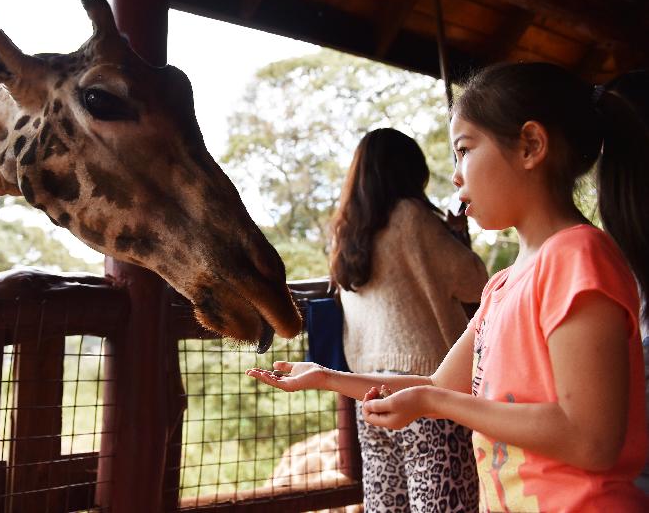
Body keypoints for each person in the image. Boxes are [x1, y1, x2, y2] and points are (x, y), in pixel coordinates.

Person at [248, 63, 649, 511]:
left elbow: (589, 439)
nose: (455, 175)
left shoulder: (577, 257)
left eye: (464, 150)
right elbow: (438, 384)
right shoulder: (501, 284)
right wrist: (326, 377)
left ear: (531, 146)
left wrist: (437, 401)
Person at [322, 127, 487, 512]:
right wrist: (458, 237)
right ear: (407, 172)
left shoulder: (345, 232)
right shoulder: (413, 218)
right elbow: (474, 282)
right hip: (425, 389)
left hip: (368, 390)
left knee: (386, 503)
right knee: (443, 504)